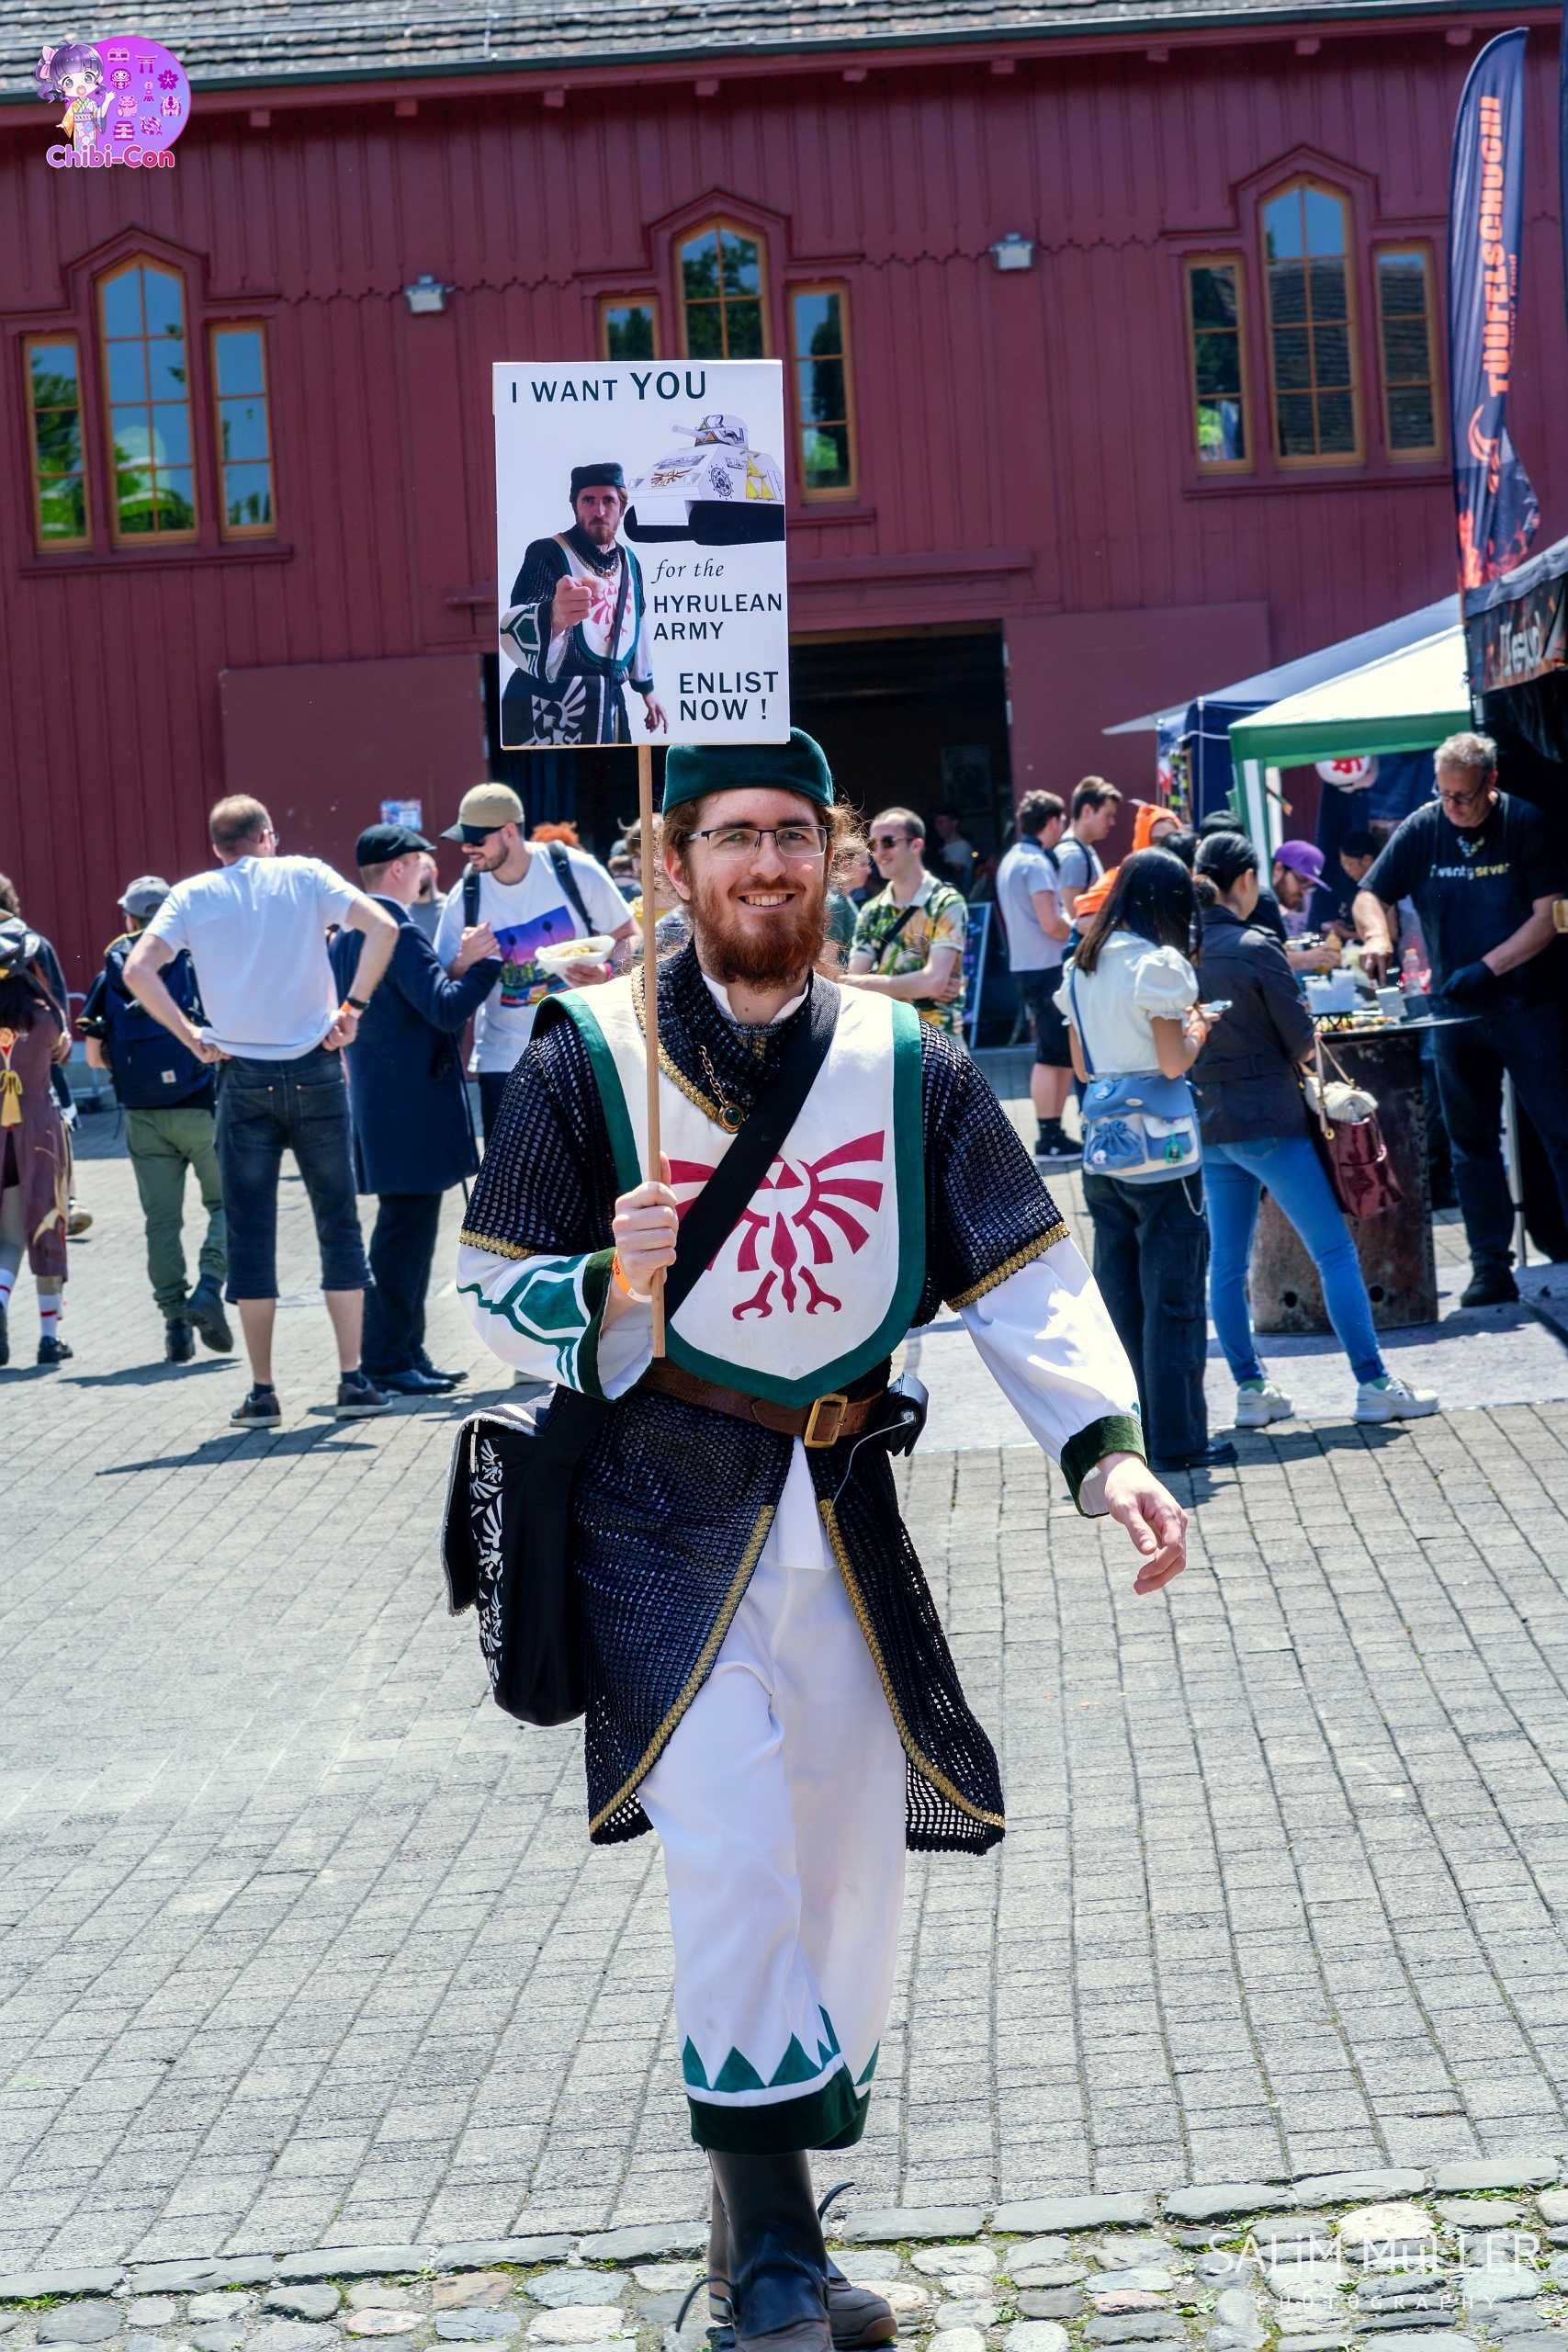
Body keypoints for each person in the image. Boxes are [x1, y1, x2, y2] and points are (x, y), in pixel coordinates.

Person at [456, 729, 1186, 2352]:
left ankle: (757, 2218)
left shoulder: (905, 1060)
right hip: (655, 1520)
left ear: (833, 854)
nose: (765, 864)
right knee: (732, 1857)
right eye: (731, 837)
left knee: (846, 1875)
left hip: (844, 1513)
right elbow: (489, 1283)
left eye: (792, 833)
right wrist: (599, 1281)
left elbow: (1023, 1273)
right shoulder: (586, 1054)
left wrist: (1107, 1453)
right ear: (674, 864)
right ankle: (778, 2266)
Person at [125, 794, 401, 1430]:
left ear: (217, 847)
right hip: (316, 1066)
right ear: (267, 836)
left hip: (240, 1074)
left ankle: (263, 1391)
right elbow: (384, 927)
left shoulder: (193, 895)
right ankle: (352, 1380)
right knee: (338, 1224)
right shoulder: (305, 875)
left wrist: (191, 1036)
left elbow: (139, 970)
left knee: (250, 1233)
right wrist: (353, 1009)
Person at [1190, 832, 1438, 1427]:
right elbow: (1303, 1041)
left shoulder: (1179, 951)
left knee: (1227, 1267)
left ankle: (1251, 1389)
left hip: (1212, 1123)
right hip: (1269, 1122)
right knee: (1333, 1251)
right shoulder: (1255, 946)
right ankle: (1373, 1382)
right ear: (1245, 880)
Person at [1355, 730, 1568, 1308]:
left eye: (1464, 797)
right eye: (1443, 794)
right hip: (1455, 1012)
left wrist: (1489, 967)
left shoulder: (1523, 824)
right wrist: (1376, 935)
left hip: (1528, 1007)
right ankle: (1489, 1266)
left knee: (1561, 1132)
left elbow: (1551, 914)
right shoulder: (1424, 828)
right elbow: (1371, 893)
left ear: (1490, 783)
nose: (1452, 806)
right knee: (1471, 1145)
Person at [1056, 847, 1233, 1474]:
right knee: (1173, 1300)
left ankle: (1130, 1437)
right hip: (1164, 1154)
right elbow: (1172, 1062)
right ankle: (1180, 1440)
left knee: (1121, 1301)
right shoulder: (1157, 965)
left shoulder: (1081, 966)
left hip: (1104, 1148)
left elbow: (1082, 1069)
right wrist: (1199, 1029)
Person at [328, 822, 500, 1396]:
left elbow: (415, 1003)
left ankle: (403, 1351)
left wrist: (458, 966)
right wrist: (485, 964)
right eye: (422, 860)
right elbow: (445, 1010)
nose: (429, 868)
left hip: (383, 1108)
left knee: (405, 1237)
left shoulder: (348, 935)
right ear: (399, 868)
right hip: (411, 1112)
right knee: (404, 1241)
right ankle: (387, 1358)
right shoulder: (398, 930)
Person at [78, 874, 231, 1365]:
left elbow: (94, 1058)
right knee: (228, 1205)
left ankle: (175, 1326)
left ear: (129, 918)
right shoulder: (197, 961)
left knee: (161, 1222)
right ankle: (209, 1285)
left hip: (143, 1117)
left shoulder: (114, 971)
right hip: (201, 1109)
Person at [434, 783, 636, 1140]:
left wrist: (607, 973)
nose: (467, 848)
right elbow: (443, 981)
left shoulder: (573, 869)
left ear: (510, 833)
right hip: (502, 1061)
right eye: (463, 840)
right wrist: (465, 959)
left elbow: (630, 936)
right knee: (511, 1173)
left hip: (579, 1048)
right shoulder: (466, 895)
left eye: (477, 839)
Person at [499, 462, 671, 747]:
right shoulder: (547, 553)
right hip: (555, 704)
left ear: (622, 507)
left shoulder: (630, 561)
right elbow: (517, 622)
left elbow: (636, 623)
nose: (599, 511)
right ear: (575, 506)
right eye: (588, 500)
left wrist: (647, 690)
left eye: (608, 501)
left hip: (611, 702)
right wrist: (555, 615)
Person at [0, 870, 91, 1235]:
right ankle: (67, 1198)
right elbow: (56, 1003)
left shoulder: (34, 942)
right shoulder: (35, 943)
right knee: (56, 1121)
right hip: (36, 1053)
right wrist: (59, 1044)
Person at [0, 915, 72, 1367]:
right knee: (47, 1225)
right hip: (38, 1128)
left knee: (8, 1235)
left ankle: (0, 1300)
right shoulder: (46, 1018)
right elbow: (62, 1051)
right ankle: (49, 1337)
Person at [994, 791, 1075, 1164]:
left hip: (1028, 965)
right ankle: (1049, 1137)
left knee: (1054, 1052)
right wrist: (1084, 931)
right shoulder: (1036, 862)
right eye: (1062, 821)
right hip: (1047, 967)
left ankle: (1052, 1133)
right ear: (1053, 821)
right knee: (1051, 1053)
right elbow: (1052, 924)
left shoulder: (1013, 858)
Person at [849, 808, 967, 1037]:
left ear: (916, 845)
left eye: (888, 842)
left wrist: (866, 983)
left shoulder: (945, 902)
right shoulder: (871, 910)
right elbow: (853, 984)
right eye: (873, 844)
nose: (879, 852)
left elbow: (934, 982)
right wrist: (919, 984)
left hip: (938, 1040)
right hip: (884, 1038)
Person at [1052, 777, 1124, 932]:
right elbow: (1075, 919)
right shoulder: (1073, 855)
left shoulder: (1084, 850)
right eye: (1107, 815)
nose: (1112, 822)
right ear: (1087, 811)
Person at [1320, 828, 1379, 942]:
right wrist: (1347, 926)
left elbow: (1391, 935)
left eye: (1350, 864)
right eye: (1343, 865)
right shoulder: (1357, 887)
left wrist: (1346, 934)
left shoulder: (1382, 887)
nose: (1346, 870)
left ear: (1367, 860)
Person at [1270, 840, 1325, 937]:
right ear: (1278, 869)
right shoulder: (1258, 903)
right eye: (1301, 881)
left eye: (1309, 886)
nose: (1304, 893)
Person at [929, 807, 977, 890]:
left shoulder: (962, 846)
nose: (937, 826)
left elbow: (951, 874)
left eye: (941, 822)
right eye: (936, 822)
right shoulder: (938, 845)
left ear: (954, 823)